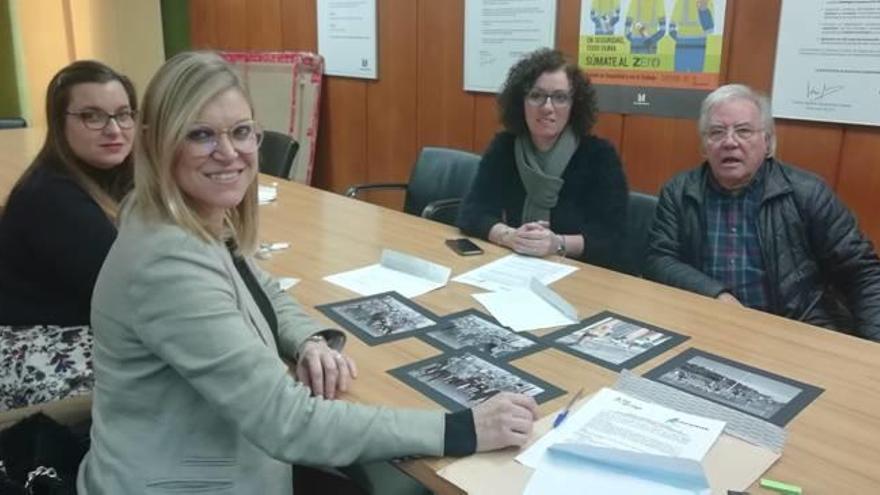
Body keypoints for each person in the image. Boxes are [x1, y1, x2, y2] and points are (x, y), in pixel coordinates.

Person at [77, 51, 538, 494]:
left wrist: (307, 341)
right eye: (200, 135)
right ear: (158, 141)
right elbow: (290, 423)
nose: (229, 152)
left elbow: (263, 290)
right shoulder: (167, 262)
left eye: (241, 131)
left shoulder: (184, 214)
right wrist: (463, 427)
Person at [644, 84, 880, 340]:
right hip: (707, 323)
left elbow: (863, 274)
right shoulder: (679, 191)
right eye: (717, 132)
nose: (730, 142)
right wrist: (714, 294)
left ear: (767, 142)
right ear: (704, 146)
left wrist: (872, 352)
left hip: (795, 332)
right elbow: (659, 259)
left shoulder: (807, 193)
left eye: (743, 131)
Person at [457, 48, 628, 270]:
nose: (547, 108)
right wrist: (508, 236)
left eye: (559, 97)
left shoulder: (599, 156)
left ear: (574, 104)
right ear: (522, 101)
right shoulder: (504, 147)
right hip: (514, 266)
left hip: (580, 274)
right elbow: (471, 212)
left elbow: (613, 239)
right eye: (536, 96)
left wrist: (558, 243)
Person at [0, 61, 136, 326]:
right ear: (58, 123)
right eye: (91, 116)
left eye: (123, 114)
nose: (114, 130)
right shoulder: (49, 199)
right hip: (40, 343)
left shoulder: (120, 176)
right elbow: (131, 291)